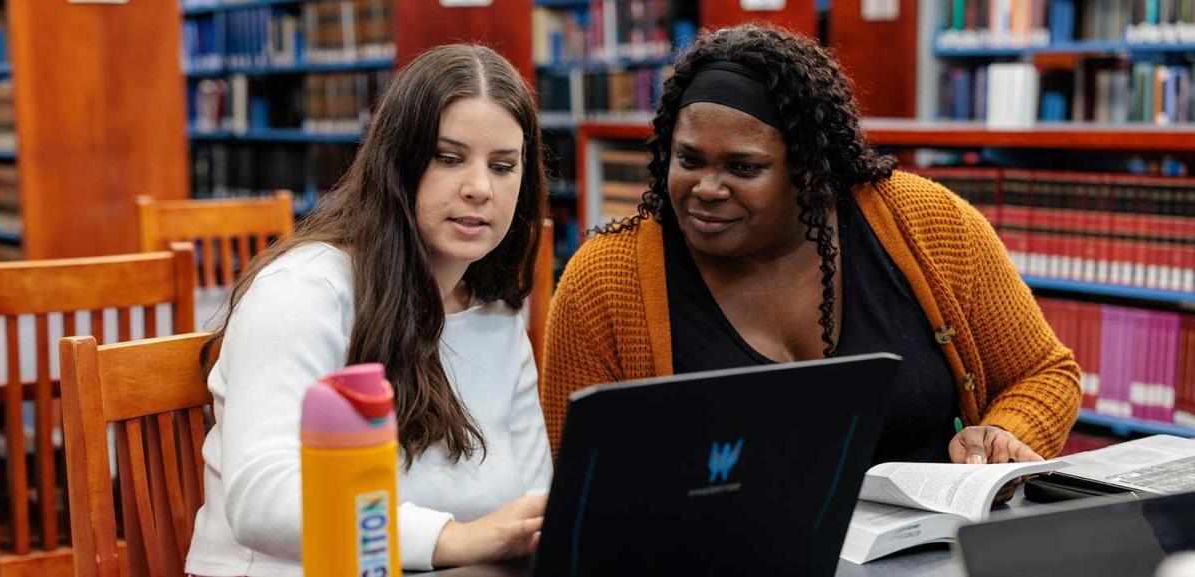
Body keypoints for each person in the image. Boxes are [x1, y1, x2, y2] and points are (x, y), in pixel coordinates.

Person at [542, 24, 1081, 468]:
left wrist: (1000, 436)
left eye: (743, 167)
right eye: (688, 160)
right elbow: (581, 483)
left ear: (810, 171)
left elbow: (1044, 372)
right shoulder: (607, 280)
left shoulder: (925, 224)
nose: (706, 189)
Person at [185, 44, 552, 575]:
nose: (479, 188)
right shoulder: (304, 290)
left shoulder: (497, 314)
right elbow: (262, 498)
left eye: (502, 166)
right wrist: (452, 540)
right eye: (449, 158)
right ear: (398, 161)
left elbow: (531, 502)